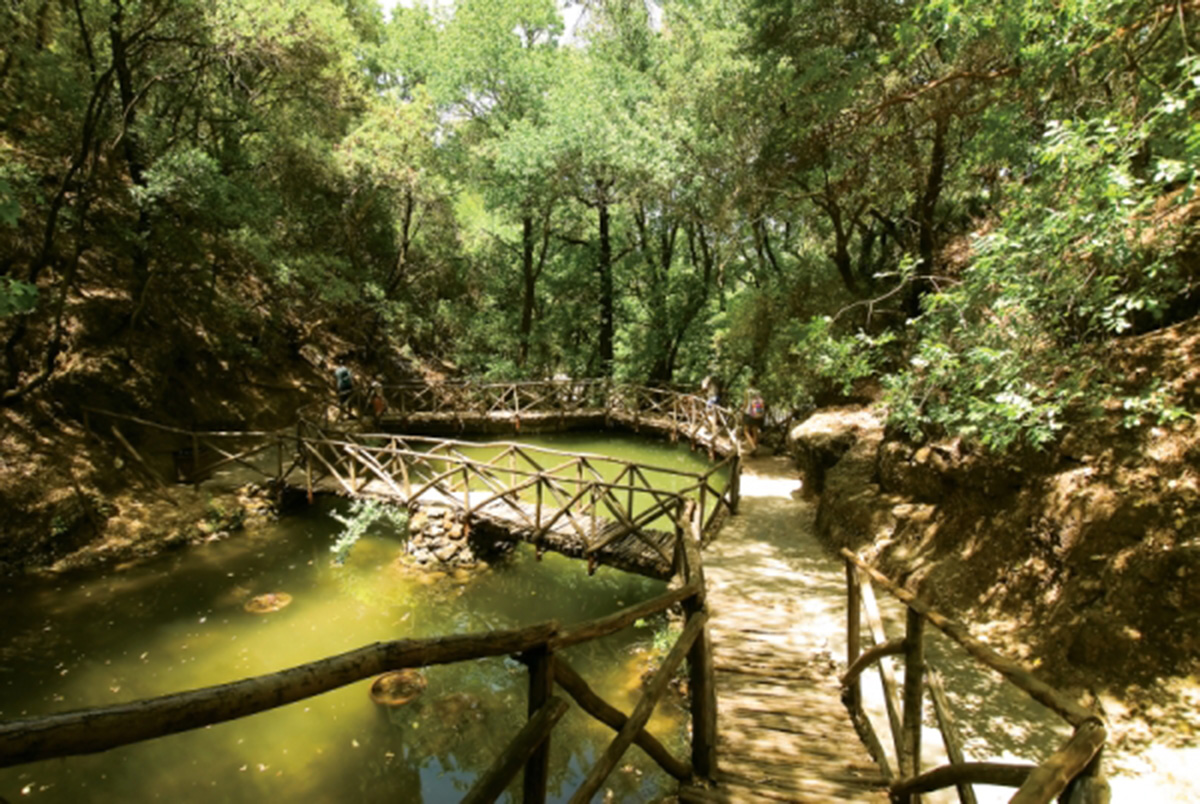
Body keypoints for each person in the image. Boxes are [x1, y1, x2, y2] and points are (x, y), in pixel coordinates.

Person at [742, 376, 766, 454]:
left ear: (749, 383)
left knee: (746, 431)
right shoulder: (759, 391)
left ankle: (753, 447)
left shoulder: (747, 391)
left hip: (749, 412)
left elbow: (746, 403)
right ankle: (754, 450)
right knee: (755, 431)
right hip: (757, 412)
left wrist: (742, 410)